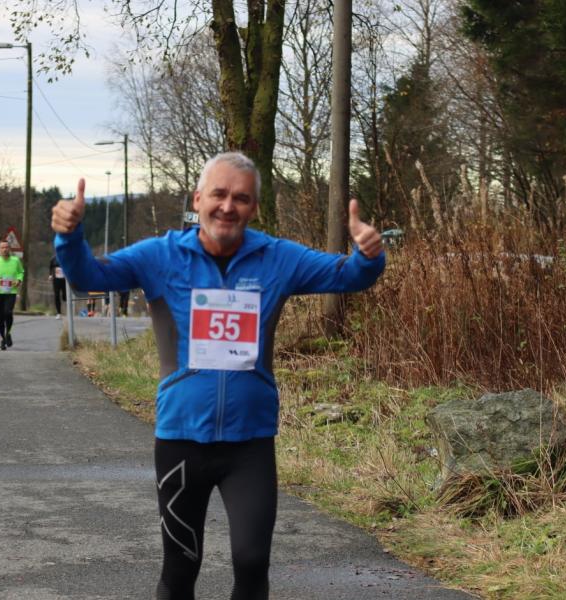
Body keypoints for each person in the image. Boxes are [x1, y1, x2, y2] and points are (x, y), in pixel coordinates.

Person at [52, 152, 384, 599]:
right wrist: (69, 236)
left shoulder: (277, 258)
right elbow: (89, 275)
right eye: (219, 194)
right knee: (181, 567)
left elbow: (346, 276)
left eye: (241, 198)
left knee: (251, 563)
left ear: (254, 208)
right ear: (198, 199)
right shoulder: (161, 256)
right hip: (181, 439)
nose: (228, 206)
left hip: (249, 443)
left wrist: (367, 254)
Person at [0, 240, 24, 351]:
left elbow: (21, 272)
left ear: (9, 249)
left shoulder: (15, 261)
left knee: (8, 312)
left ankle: (8, 332)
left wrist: (19, 280)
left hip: (10, 292)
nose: (5, 249)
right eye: (2, 247)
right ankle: (3, 338)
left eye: (7, 247)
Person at [49, 254, 66, 319]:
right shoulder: (53, 258)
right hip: (56, 279)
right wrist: (50, 275)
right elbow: (50, 267)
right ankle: (59, 313)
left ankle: (65, 298)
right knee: (56, 295)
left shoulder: (66, 256)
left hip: (64, 280)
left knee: (65, 296)